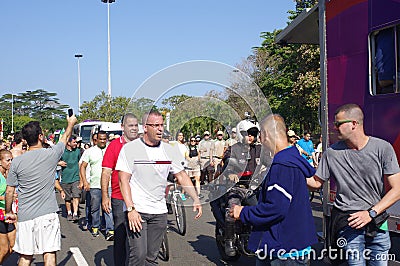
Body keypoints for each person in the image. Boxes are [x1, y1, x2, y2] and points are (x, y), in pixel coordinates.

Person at [307, 103, 400, 265]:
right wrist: (292, 174)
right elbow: (316, 183)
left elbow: (397, 189)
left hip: (377, 223)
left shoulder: (382, 148)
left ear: (354, 124)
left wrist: (370, 213)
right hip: (348, 223)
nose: (335, 128)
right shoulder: (331, 153)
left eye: (338, 124)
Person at [116, 110, 202, 265]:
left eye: (161, 125)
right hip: (138, 210)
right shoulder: (130, 149)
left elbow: (181, 175)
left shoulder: (169, 150)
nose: (160, 129)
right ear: (145, 128)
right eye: (155, 125)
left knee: (151, 257)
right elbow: (123, 180)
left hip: (159, 211)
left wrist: (195, 197)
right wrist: (130, 209)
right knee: (139, 255)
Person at [231, 114, 317, 265]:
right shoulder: (293, 159)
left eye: (260, 135)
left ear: (265, 135)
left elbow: (276, 208)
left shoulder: (281, 165)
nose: (260, 141)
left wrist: (242, 212)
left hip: (284, 251)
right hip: (293, 245)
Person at [5, 116, 77, 266]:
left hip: (25, 216)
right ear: (40, 136)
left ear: (25, 139)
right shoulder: (51, 154)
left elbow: (10, 191)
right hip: (48, 215)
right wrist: (70, 124)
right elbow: (64, 138)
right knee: (49, 254)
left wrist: (9, 212)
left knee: (25, 257)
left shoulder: (17, 162)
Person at [101, 113, 139, 264]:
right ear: (122, 127)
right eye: (130, 125)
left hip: (140, 198)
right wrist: (105, 196)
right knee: (121, 236)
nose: (134, 129)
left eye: (136, 125)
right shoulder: (114, 146)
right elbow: (106, 172)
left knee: (138, 238)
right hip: (119, 198)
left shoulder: (144, 145)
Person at [221, 119, 262, 256]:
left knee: (263, 211)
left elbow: (269, 161)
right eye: (247, 133)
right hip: (236, 188)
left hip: (253, 189)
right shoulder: (233, 149)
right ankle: (229, 241)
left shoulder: (259, 149)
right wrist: (231, 173)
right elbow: (227, 162)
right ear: (240, 134)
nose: (250, 136)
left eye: (253, 134)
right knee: (232, 211)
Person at [80, 131, 114, 240]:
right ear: (96, 140)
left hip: (108, 185)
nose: (103, 141)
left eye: (105, 139)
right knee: (94, 208)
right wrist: (85, 181)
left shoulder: (110, 150)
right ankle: (95, 226)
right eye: (101, 139)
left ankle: (110, 230)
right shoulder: (89, 151)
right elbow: (82, 166)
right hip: (94, 185)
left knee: (108, 208)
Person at [58, 135, 81, 222]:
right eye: (74, 142)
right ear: (68, 143)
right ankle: (69, 212)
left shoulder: (78, 151)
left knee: (76, 195)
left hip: (76, 178)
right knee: (67, 198)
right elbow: (54, 160)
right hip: (65, 178)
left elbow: (81, 163)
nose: (76, 144)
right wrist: (59, 163)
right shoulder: (62, 152)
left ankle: (75, 213)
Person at [0, 149, 16, 264]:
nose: (10, 162)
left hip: (8, 213)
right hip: (0, 215)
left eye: (12, 160)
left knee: (14, 247)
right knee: (4, 249)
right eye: (8, 160)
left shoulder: (8, 174)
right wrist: (7, 197)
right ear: (0, 162)